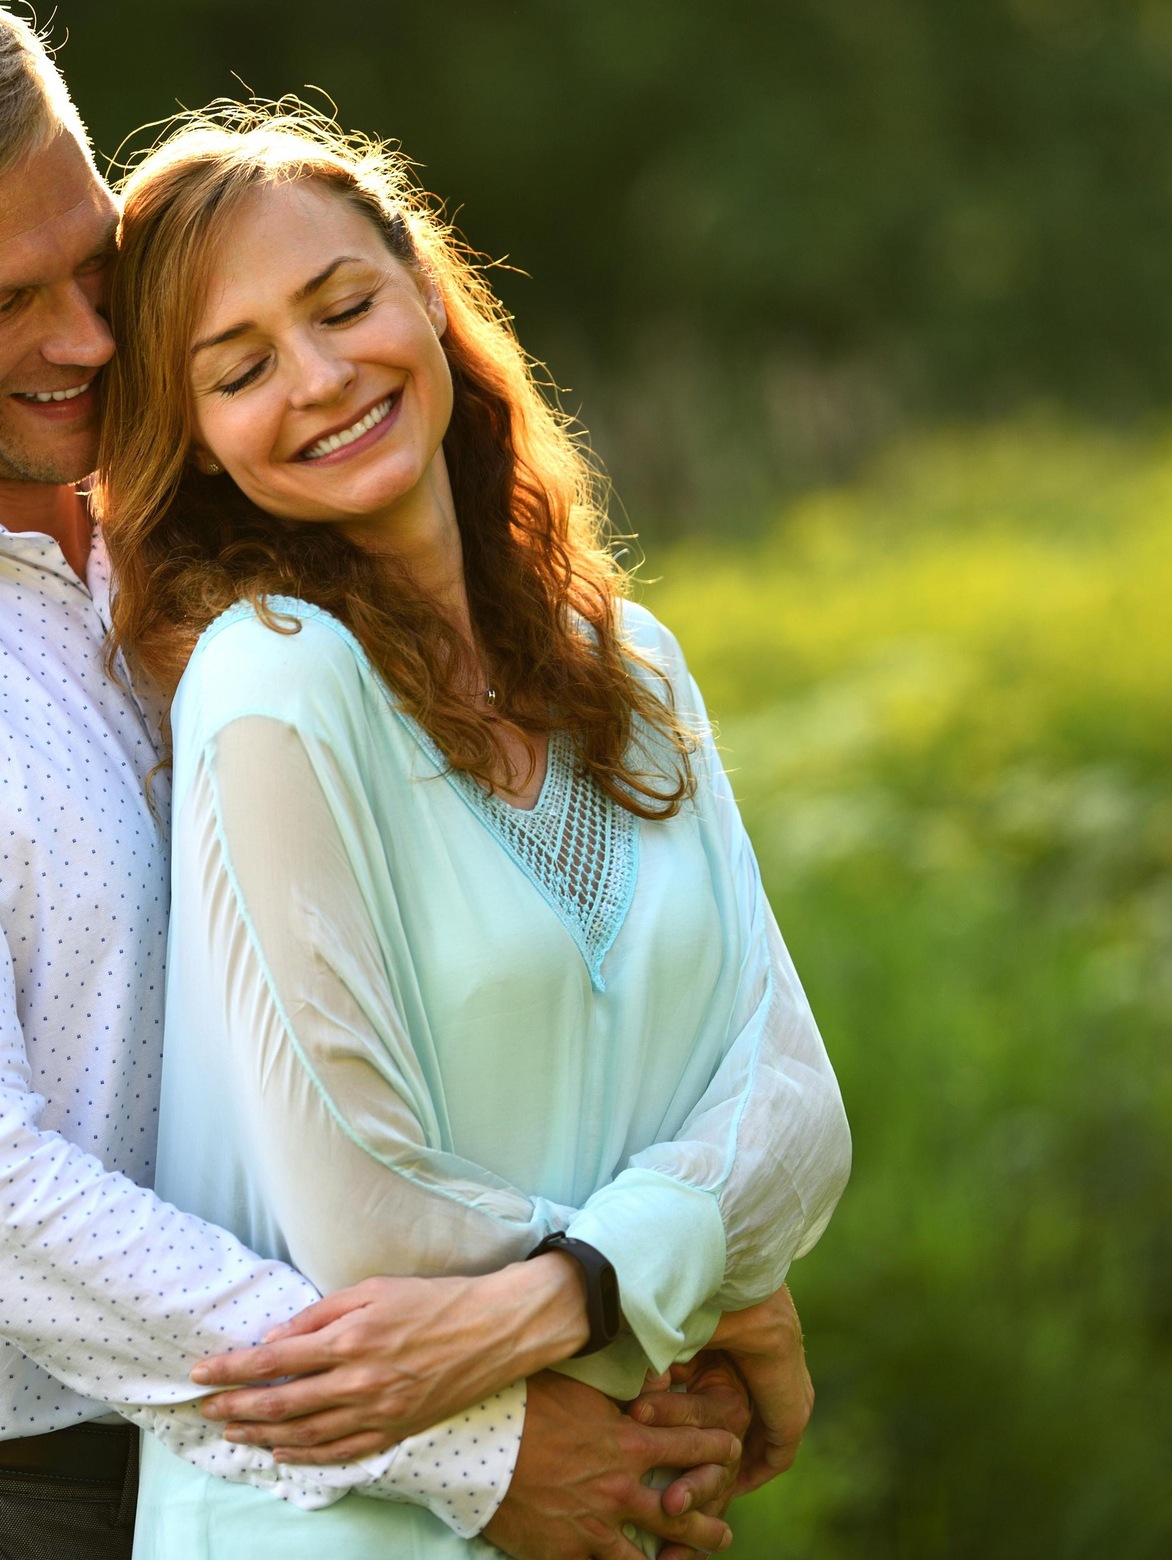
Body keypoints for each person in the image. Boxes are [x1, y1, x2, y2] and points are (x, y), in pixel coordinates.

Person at [0, 0, 784, 1560]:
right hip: (21, 1508)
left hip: (353, 1475)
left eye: (90, 262)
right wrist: (474, 1433)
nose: (82, 340)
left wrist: (685, 1281)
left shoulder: (233, 523)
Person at [92, 109, 852, 1560]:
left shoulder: (629, 665)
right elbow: (362, 1217)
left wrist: (599, 1285)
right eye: (240, 368)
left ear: (427, 293)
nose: (319, 379)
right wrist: (704, 1284)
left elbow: (798, 1107)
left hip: (616, 1498)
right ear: (191, 439)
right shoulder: (273, 680)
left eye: (345, 304)